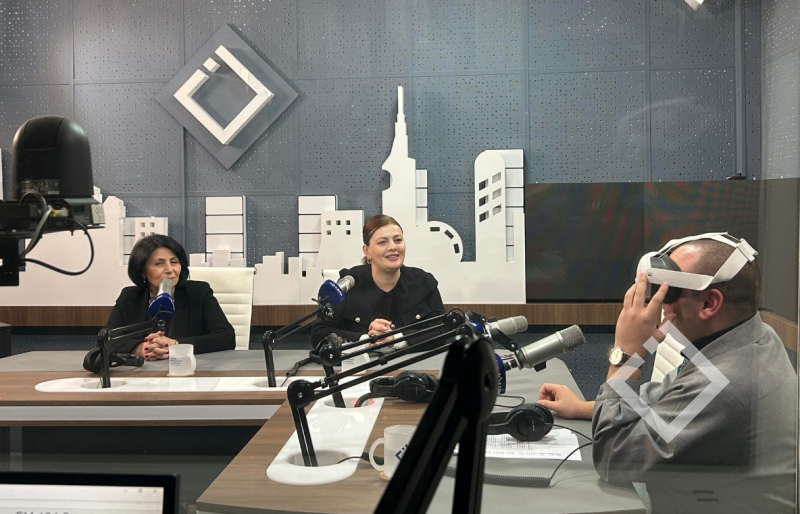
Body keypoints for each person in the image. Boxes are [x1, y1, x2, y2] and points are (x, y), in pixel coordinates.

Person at [537, 234, 796, 513]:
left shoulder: (725, 385)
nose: (659, 305)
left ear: (709, 303)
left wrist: (626, 355)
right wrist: (585, 407)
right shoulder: (754, 336)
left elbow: (612, 458)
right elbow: (669, 397)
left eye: (668, 292)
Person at [311, 214, 445, 350]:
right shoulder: (349, 283)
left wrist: (396, 339)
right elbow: (320, 333)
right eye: (382, 242)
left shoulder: (423, 282)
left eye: (398, 240)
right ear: (367, 251)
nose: (393, 247)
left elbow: (443, 329)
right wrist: (366, 341)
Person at [105, 234, 235, 360]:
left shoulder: (198, 293)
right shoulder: (130, 297)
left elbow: (226, 338)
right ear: (142, 271)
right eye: (159, 263)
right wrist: (141, 348)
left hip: (189, 369)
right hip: (145, 371)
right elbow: (106, 340)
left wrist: (176, 345)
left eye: (174, 262)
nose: (169, 269)